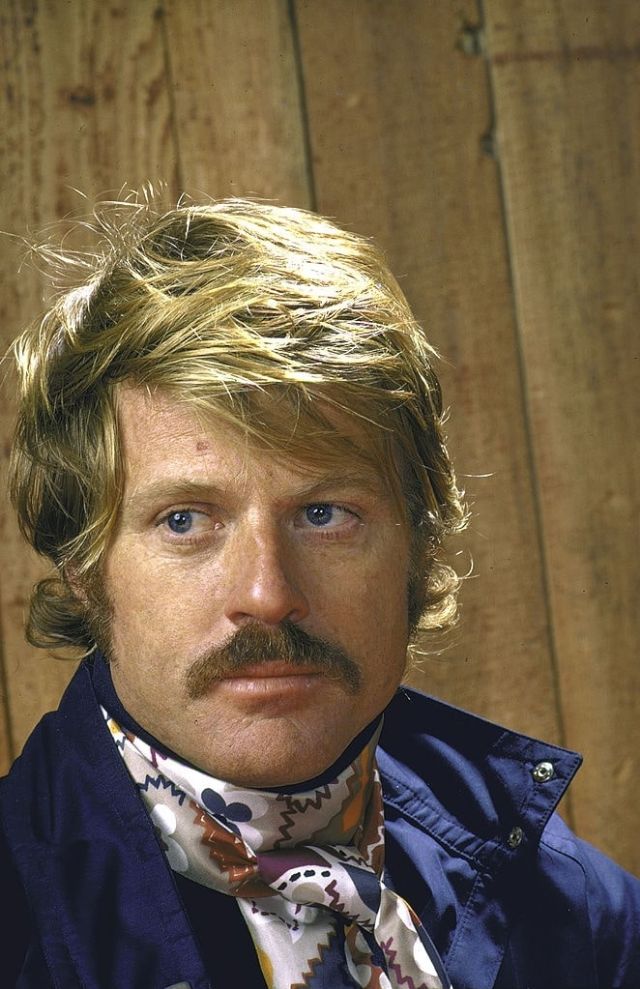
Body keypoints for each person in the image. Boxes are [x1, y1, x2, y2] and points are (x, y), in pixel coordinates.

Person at [0, 197, 638, 989]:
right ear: (83, 567)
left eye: (324, 513)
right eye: (185, 520)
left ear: (418, 544)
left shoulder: (580, 915)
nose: (268, 594)